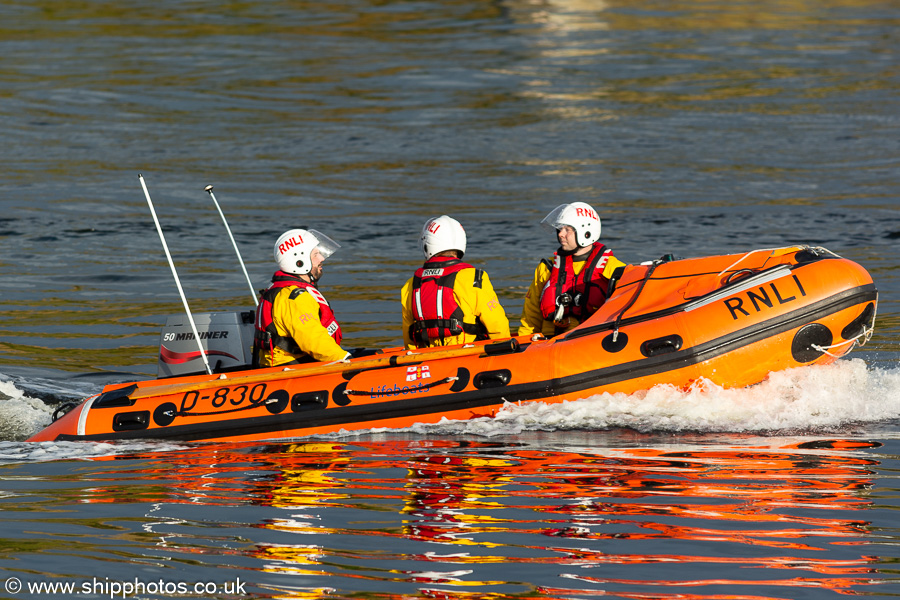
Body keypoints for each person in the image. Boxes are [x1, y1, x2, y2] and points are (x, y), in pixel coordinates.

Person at [518, 202, 627, 338]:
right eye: (560, 229)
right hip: (548, 344)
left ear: (586, 232)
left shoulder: (612, 268)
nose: (561, 234)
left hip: (591, 341)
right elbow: (530, 316)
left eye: (567, 229)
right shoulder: (546, 268)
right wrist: (523, 344)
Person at [401, 215, 510, 349]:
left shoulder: (410, 284)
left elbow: (409, 338)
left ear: (427, 245)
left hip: (427, 359)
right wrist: (504, 350)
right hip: (468, 356)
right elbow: (497, 324)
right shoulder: (473, 277)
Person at [253, 228, 350, 367]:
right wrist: (346, 358)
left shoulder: (284, 291)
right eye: (316, 254)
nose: (322, 258)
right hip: (289, 368)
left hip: (295, 363)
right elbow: (313, 340)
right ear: (299, 261)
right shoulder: (295, 298)